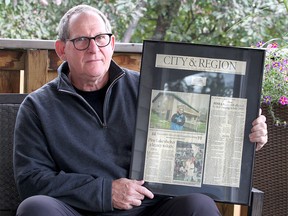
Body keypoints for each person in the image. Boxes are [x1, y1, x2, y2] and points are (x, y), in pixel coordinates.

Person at [13, 4, 268, 216]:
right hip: (79, 209)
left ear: (112, 43)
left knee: (198, 205)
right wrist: (105, 192)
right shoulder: (38, 107)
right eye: (81, 40)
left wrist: (243, 137)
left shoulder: (150, 89)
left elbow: (195, 132)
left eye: (101, 38)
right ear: (61, 50)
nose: (94, 48)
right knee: (35, 207)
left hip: (151, 208)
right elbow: (31, 181)